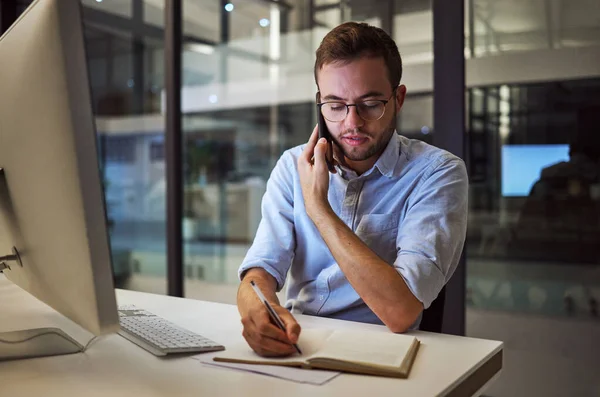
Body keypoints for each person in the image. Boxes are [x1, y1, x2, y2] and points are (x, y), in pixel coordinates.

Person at [236, 22, 468, 357]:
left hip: (382, 353)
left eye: (370, 104)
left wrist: (318, 208)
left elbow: (401, 312)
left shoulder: (437, 173)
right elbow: (260, 270)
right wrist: (255, 309)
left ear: (398, 99)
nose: (352, 122)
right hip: (301, 342)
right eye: (335, 104)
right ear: (320, 103)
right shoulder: (292, 165)